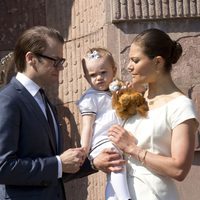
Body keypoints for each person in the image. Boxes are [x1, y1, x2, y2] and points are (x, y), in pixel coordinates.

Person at [105, 28, 199, 200]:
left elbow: (179, 169)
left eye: (135, 60)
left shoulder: (181, 106)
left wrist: (133, 149)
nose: (128, 66)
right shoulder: (137, 99)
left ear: (157, 62)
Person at [0, 26, 92, 200]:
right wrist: (58, 163)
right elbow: (3, 167)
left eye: (61, 61)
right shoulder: (8, 100)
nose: (60, 68)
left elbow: (50, 173)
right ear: (31, 58)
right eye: (55, 60)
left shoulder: (44, 100)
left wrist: (93, 162)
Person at [76, 47, 131, 200]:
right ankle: (126, 198)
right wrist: (84, 150)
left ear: (114, 70)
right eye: (93, 75)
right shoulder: (90, 98)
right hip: (103, 141)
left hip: (118, 138)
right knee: (116, 163)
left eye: (103, 72)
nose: (98, 78)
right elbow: (87, 126)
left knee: (113, 174)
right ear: (86, 78)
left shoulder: (117, 90)